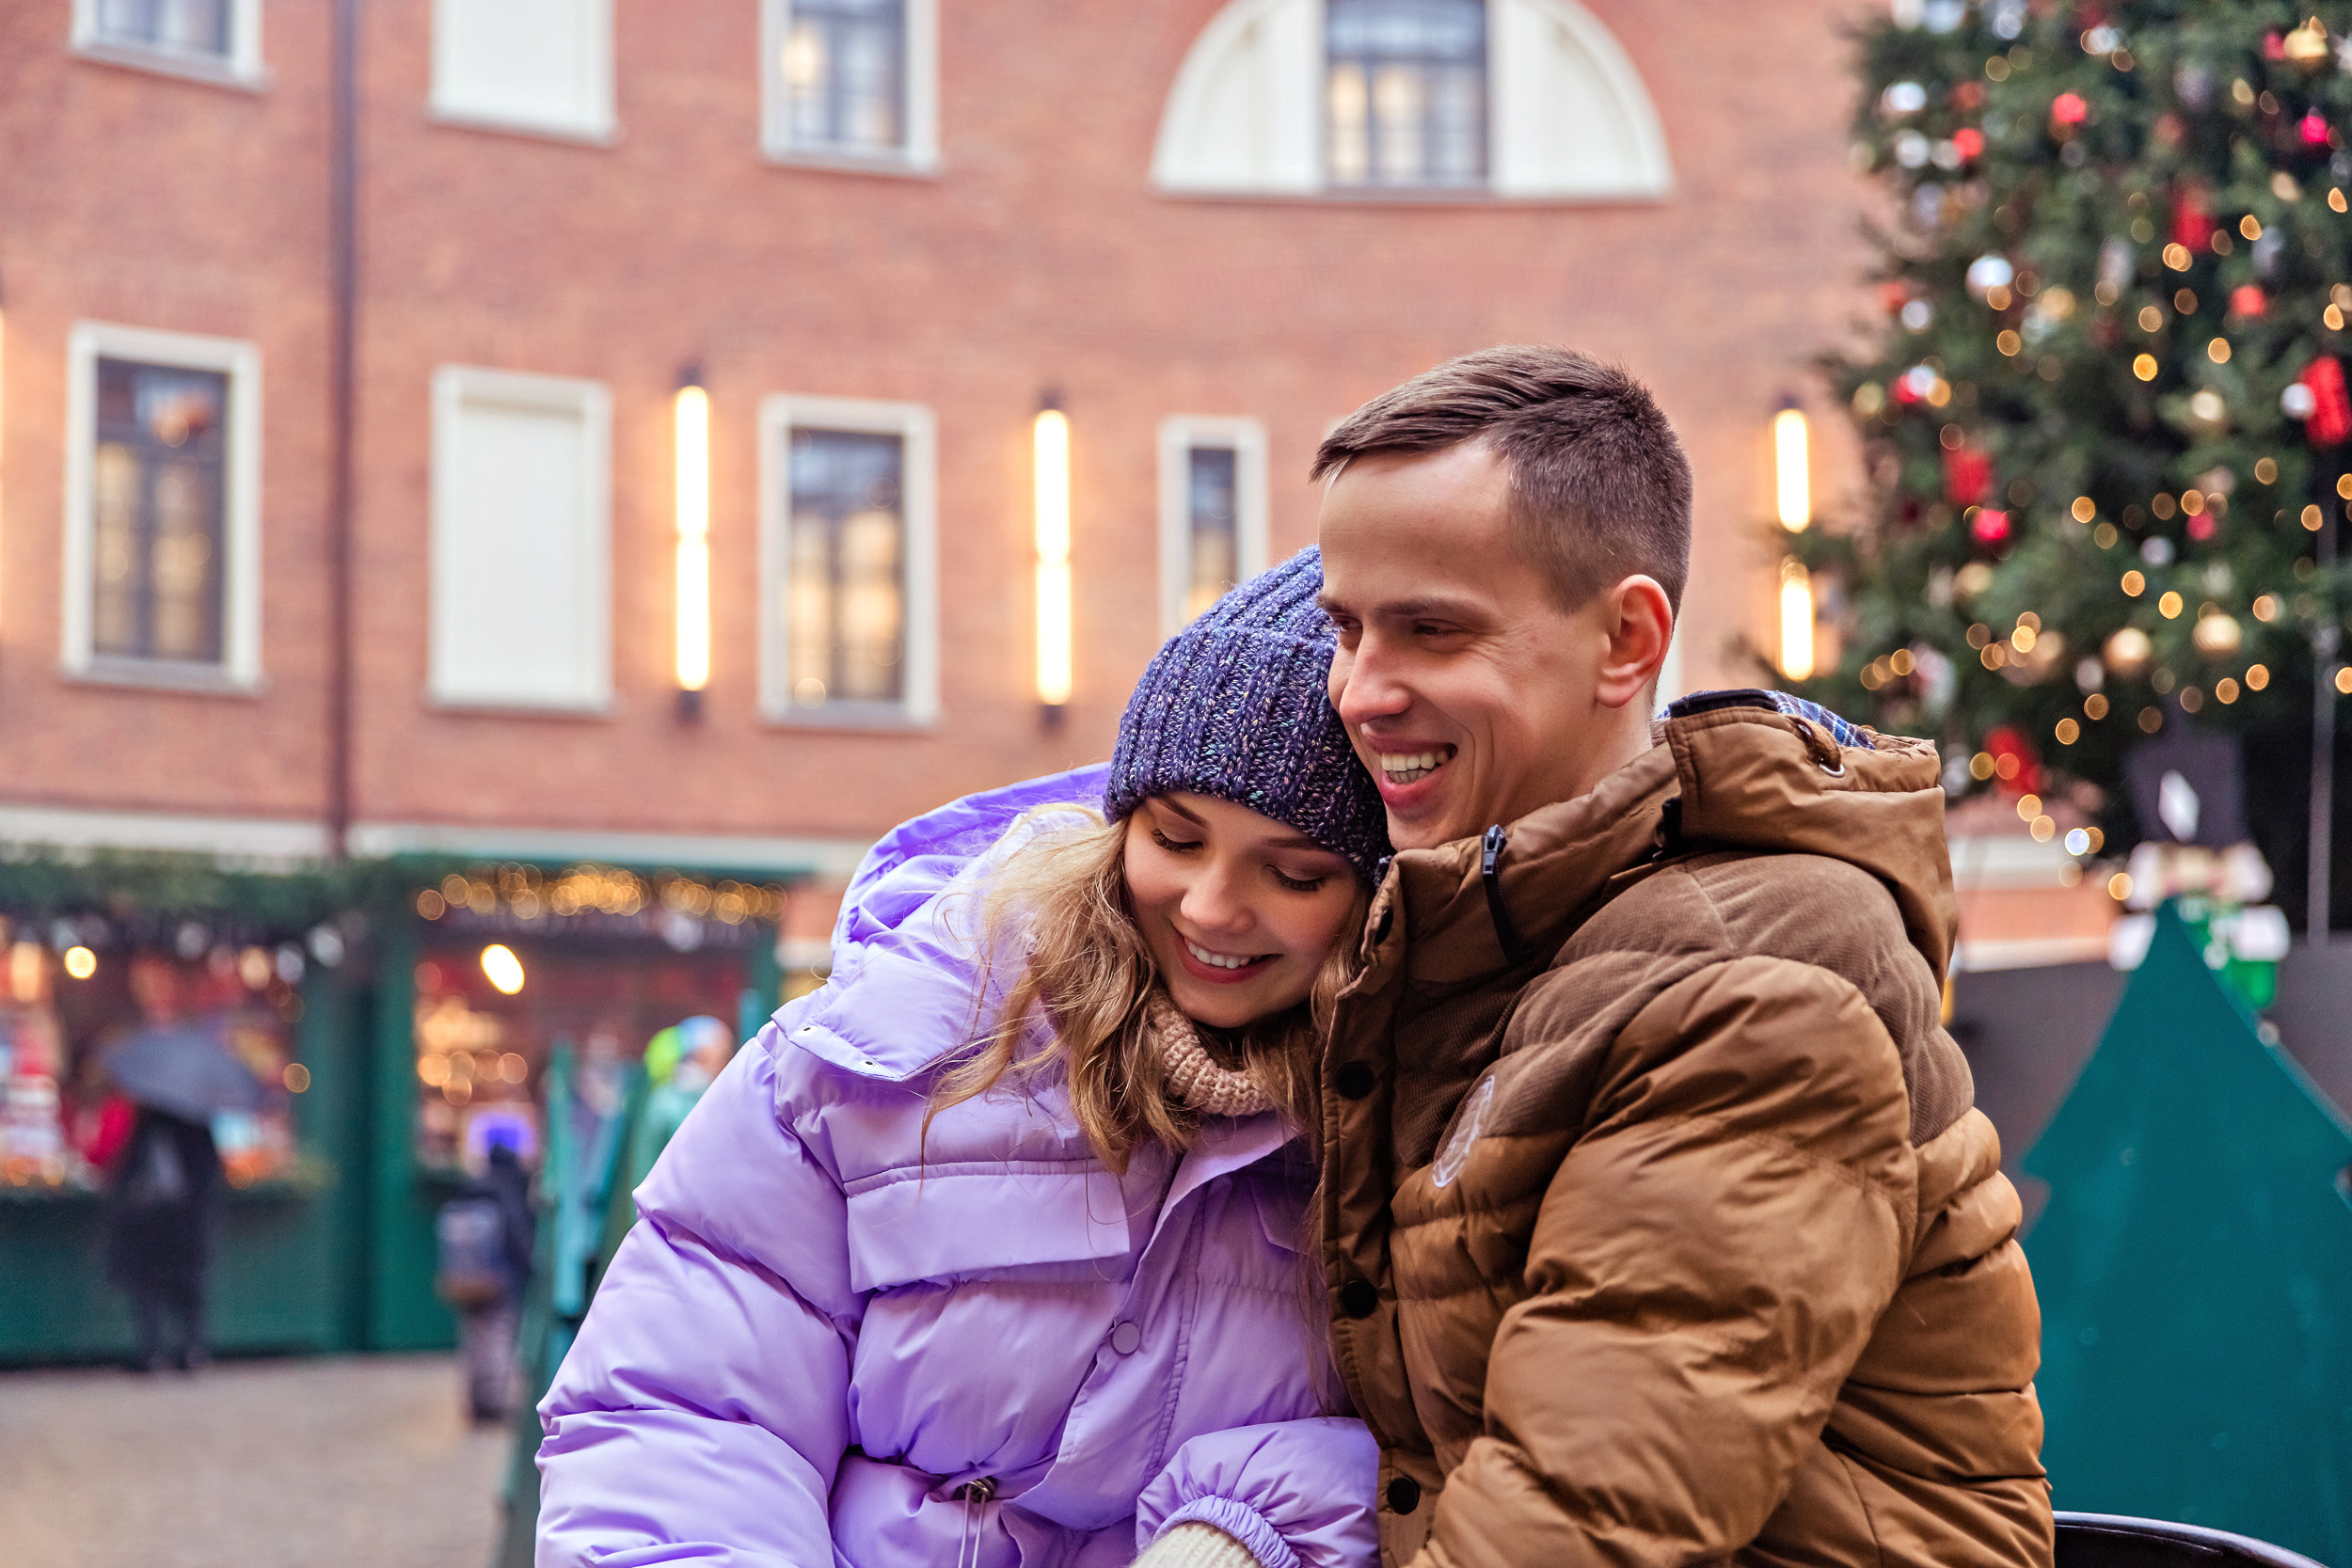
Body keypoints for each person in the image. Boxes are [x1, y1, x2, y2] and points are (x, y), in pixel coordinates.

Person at [1308, 346, 2051, 1567]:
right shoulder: (1494, 946)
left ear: (1626, 639)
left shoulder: (1749, 982)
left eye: (1431, 630)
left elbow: (1574, 1526)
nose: (1362, 691)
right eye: (1346, 629)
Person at [537, 553, 1387, 1568]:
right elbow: (677, 1414)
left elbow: (1468, 1444)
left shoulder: (1410, 1114)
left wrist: (1254, 1528)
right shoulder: (887, 1042)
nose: (1208, 906)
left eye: (1292, 872)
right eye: (1175, 835)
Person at [442, 1133, 537, 1422]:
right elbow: (518, 1237)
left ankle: (477, 1401)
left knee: (474, 1339)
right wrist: (530, 1264)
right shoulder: (507, 1191)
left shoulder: (469, 1191)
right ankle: (494, 1402)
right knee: (497, 1337)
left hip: (468, 1280)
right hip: (500, 1280)